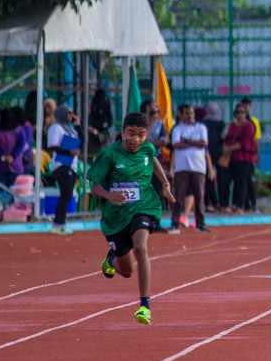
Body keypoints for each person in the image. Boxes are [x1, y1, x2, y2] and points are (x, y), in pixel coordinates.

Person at [91, 112, 174, 324]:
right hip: (116, 216)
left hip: (144, 206)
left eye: (141, 135)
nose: (136, 139)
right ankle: (111, 260)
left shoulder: (147, 148)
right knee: (126, 270)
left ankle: (145, 306)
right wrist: (110, 195)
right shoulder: (109, 155)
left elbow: (153, 160)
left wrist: (164, 184)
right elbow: (95, 187)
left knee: (140, 246)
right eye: (131, 134)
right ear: (122, 133)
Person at [167, 103, 212, 233]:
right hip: (181, 167)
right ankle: (175, 224)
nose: (190, 115)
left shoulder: (201, 128)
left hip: (199, 167)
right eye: (187, 113)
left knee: (199, 196)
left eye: (191, 113)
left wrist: (185, 141)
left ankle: (200, 223)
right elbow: (176, 144)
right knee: (179, 196)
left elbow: (203, 143)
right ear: (181, 115)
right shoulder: (177, 129)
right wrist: (194, 143)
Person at [45, 103, 83, 235]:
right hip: (61, 164)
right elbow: (52, 145)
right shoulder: (55, 128)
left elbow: (82, 141)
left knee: (68, 194)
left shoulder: (70, 129)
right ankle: (58, 223)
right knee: (65, 194)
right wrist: (69, 152)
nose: (71, 115)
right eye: (68, 113)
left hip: (71, 165)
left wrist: (77, 125)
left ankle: (61, 222)